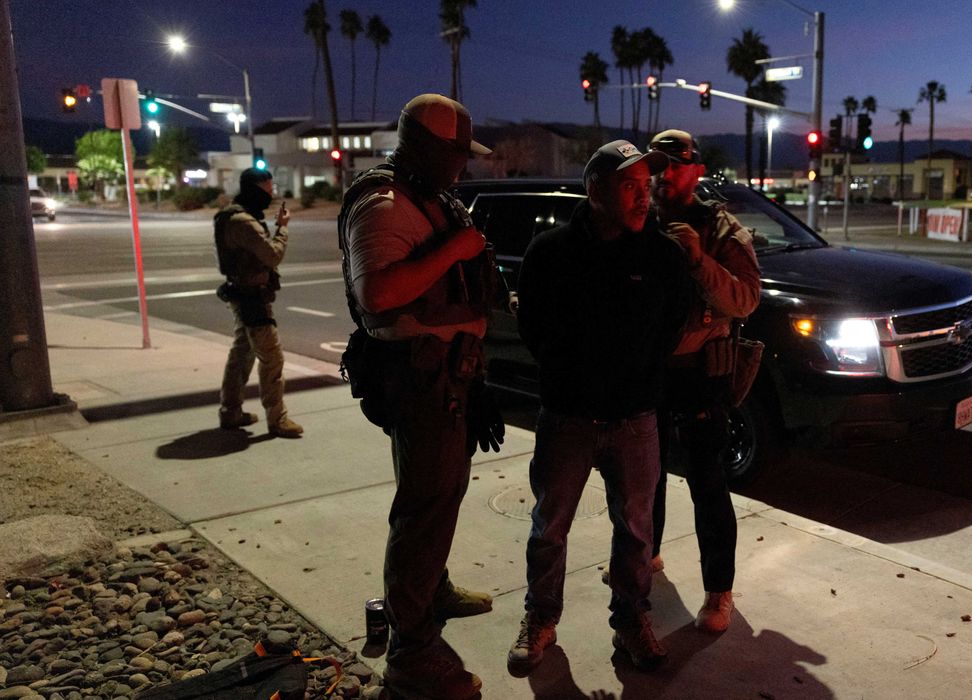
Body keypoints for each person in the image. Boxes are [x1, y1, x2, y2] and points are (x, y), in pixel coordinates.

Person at [338, 94, 505, 700]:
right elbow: (379, 294)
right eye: (456, 153)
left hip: (446, 378)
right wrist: (454, 250)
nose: (463, 165)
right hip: (416, 380)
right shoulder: (383, 204)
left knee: (441, 495)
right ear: (427, 149)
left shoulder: (428, 194)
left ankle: (431, 592)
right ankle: (413, 652)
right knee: (423, 510)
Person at [507, 140, 690, 675]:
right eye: (629, 186)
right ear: (595, 191)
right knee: (549, 526)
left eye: (645, 185)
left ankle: (631, 620)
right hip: (567, 417)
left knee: (636, 531)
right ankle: (541, 617)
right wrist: (576, 374)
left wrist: (638, 376)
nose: (643, 197)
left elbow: (674, 324)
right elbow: (533, 328)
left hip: (636, 418)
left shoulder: (662, 255)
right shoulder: (550, 252)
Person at [647, 129, 761, 633]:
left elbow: (746, 300)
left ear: (696, 170)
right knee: (641, 476)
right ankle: (644, 556)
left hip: (701, 373)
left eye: (676, 165)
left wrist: (699, 260)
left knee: (707, 482)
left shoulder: (721, 230)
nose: (665, 175)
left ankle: (719, 591)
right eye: (657, 166)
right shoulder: (637, 219)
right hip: (647, 370)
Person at [214, 167, 302, 438]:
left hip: (243, 294)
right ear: (254, 190)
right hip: (251, 299)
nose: (271, 195)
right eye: (267, 190)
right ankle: (277, 419)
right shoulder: (243, 222)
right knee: (272, 359)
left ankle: (230, 412)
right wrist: (282, 228)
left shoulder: (234, 216)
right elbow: (272, 255)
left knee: (241, 355)